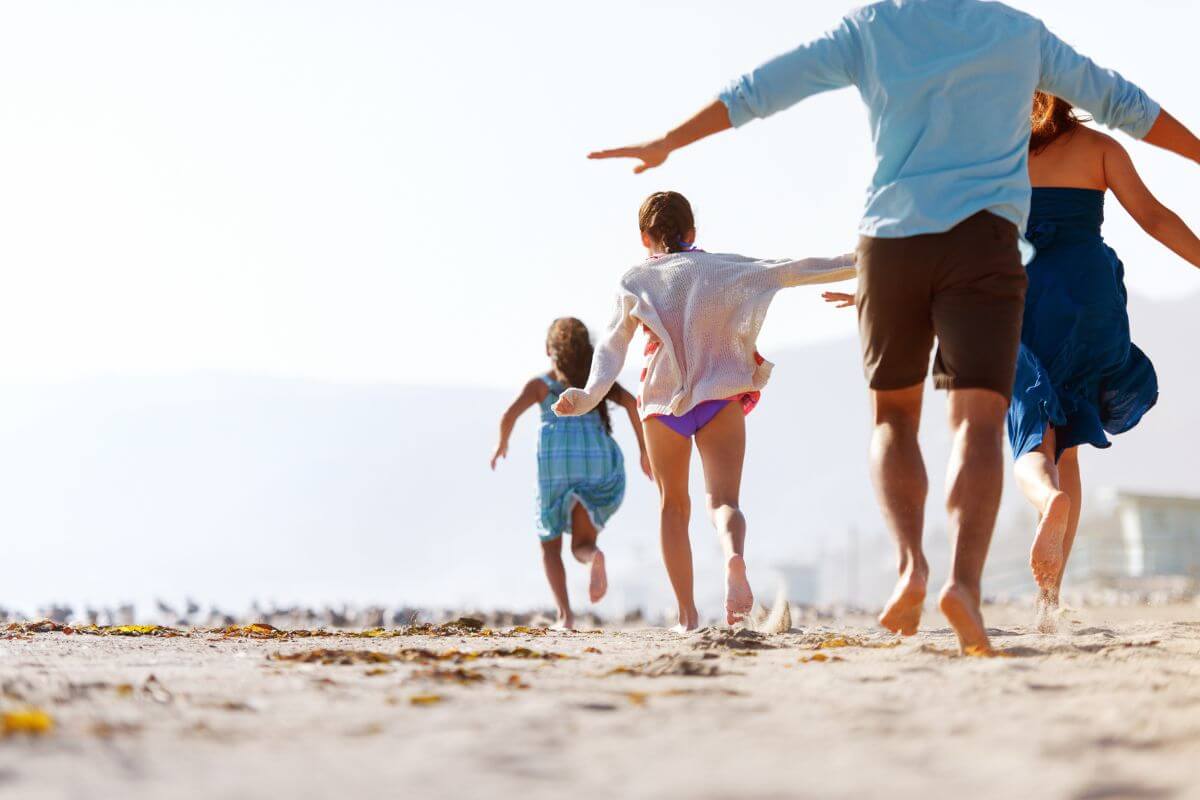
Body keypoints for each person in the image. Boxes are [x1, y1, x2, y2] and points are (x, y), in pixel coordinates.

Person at [588, 0, 1200, 654]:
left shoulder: (874, 27)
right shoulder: (1019, 35)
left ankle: (911, 564)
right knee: (979, 424)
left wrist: (670, 142)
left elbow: (762, 90)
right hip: (985, 248)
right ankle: (963, 584)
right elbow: (1125, 104)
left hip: (891, 242)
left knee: (894, 421)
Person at [553, 191, 855, 630]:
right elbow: (792, 269)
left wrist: (589, 394)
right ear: (692, 232)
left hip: (662, 404)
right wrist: (862, 259)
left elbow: (612, 347)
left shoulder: (636, 280)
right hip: (719, 397)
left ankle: (688, 616)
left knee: (673, 506)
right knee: (725, 501)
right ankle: (734, 559)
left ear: (645, 238)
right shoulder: (728, 268)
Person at [1009, 93, 1200, 632]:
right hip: (1088, 294)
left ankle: (1047, 501)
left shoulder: (993, 154)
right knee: (1068, 438)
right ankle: (1050, 600)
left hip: (1023, 294)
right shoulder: (1100, 148)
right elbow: (1156, 219)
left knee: (1032, 436)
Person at [491, 317, 651, 630]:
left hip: (557, 469)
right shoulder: (597, 384)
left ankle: (565, 616)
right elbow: (633, 404)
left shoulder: (541, 386)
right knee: (582, 543)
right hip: (596, 464)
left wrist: (502, 443)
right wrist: (645, 450)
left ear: (549, 351)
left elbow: (508, 414)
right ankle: (594, 557)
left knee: (551, 546)